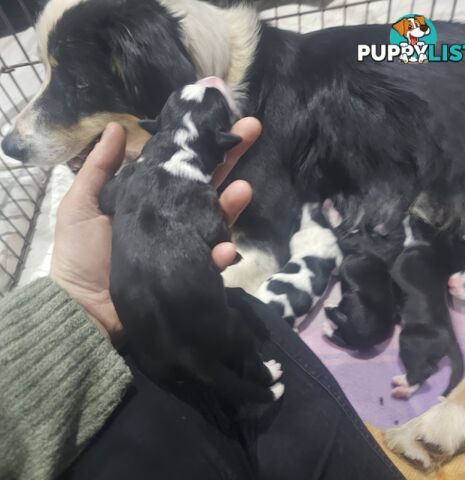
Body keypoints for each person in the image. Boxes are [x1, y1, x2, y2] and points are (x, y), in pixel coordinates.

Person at [0, 122, 403, 480]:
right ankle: (258, 379)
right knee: (241, 318)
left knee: (241, 313)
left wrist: (78, 304)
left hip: (87, 367)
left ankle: (257, 378)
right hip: (87, 426)